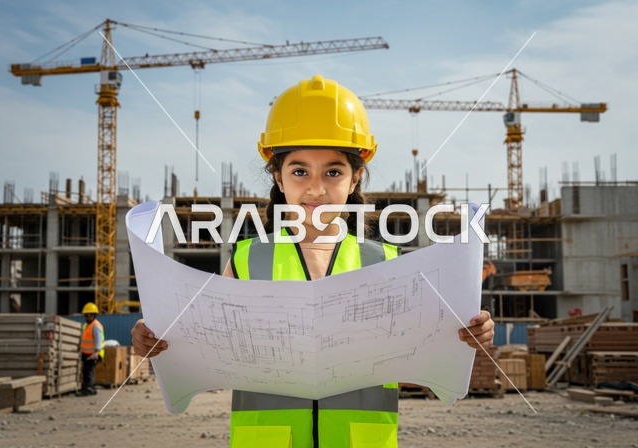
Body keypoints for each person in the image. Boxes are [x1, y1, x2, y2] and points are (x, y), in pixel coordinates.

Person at [132, 74, 495, 447]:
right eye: (300, 170)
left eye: (333, 172)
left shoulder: (388, 263)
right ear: (278, 176)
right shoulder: (246, 260)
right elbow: (203, 345)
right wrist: (159, 339)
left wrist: (468, 333)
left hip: (361, 440)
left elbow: (427, 347)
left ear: (355, 179)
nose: (316, 188)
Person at [78, 302, 105, 396]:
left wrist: (96, 353)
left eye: (88, 315)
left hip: (92, 353)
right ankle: (91, 388)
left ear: (93, 315)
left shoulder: (95, 326)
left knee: (88, 371)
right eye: (85, 315)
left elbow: (98, 340)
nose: (86, 317)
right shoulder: (86, 325)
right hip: (86, 353)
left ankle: (88, 389)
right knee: (87, 371)